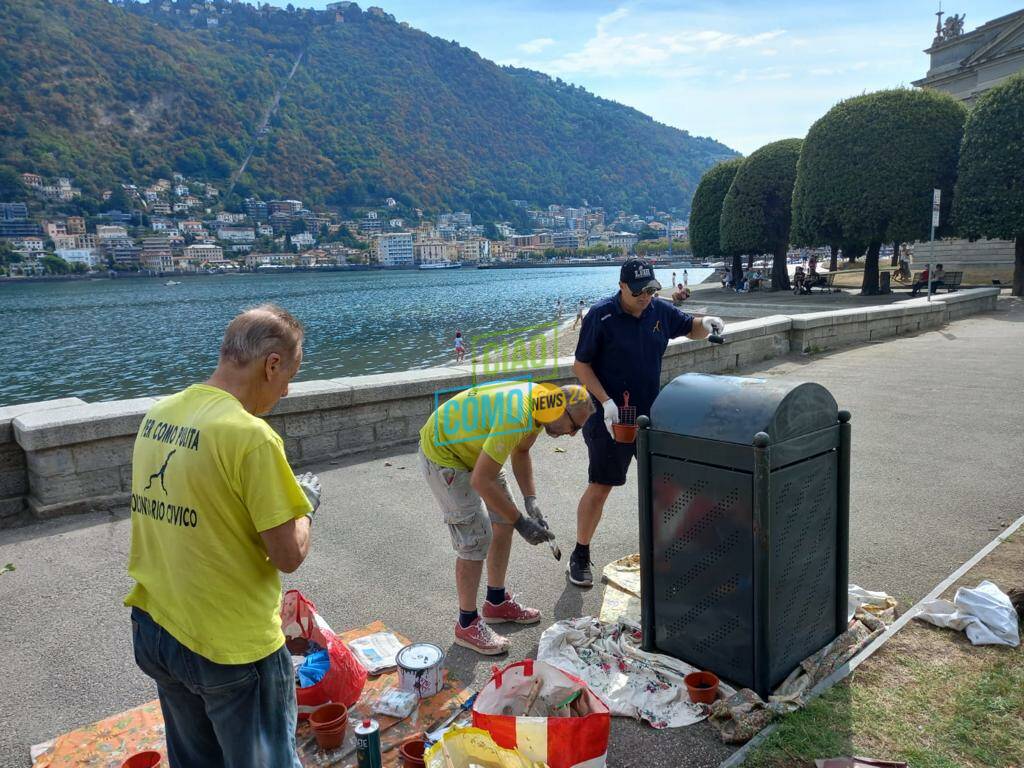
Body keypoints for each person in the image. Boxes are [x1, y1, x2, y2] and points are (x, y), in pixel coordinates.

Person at [126, 304, 319, 768]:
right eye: (289, 375)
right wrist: (307, 506)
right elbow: (288, 554)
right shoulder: (249, 436)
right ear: (271, 364)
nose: (287, 389)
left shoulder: (160, 415)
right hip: (230, 647)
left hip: (156, 628)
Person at [568, 258, 725, 586]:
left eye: (651, 290)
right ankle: (580, 554)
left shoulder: (659, 310)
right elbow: (581, 366)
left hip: (651, 414)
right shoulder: (602, 316)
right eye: (638, 291)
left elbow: (688, 327)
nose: (645, 297)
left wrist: (707, 322)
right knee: (602, 485)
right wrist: (606, 401)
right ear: (622, 286)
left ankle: (668, 549)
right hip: (610, 417)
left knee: (665, 483)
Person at [419, 381, 594, 654]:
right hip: (445, 453)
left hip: (475, 449)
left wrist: (530, 501)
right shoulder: (517, 415)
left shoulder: (541, 403)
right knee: (475, 539)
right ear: (561, 410)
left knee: (503, 522)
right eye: (575, 427)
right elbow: (481, 480)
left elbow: (521, 452)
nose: (573, 435)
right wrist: (521, 522)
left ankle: (496, 603)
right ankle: (466, 624)